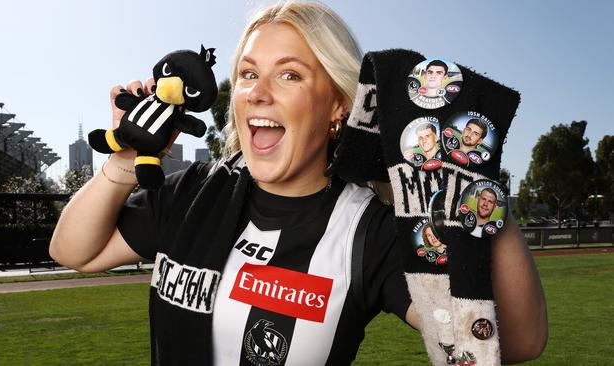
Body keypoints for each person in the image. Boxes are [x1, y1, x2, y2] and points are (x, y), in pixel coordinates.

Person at [49, 1, 547, 364]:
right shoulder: (194, 190)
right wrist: (128, 158)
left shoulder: (367, 232)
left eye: (289, 76)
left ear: (337, 106)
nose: (258, 93)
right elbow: (76, 251)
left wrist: (479, 189)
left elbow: (514, 342)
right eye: (247, 75)